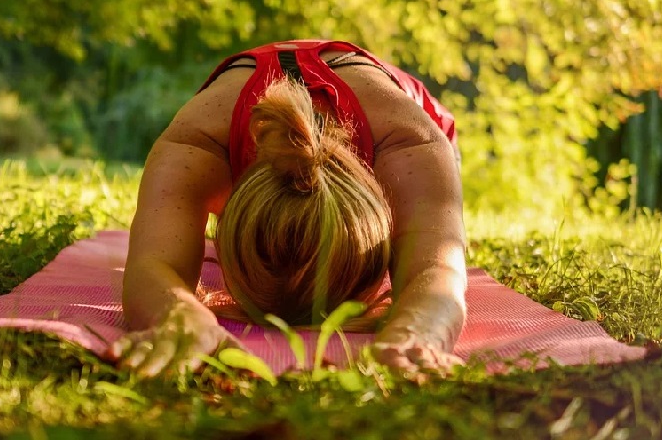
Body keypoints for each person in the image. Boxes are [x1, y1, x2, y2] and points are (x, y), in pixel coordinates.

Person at [106, 40, 467, 378]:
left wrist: (419, 329)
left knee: (433, 208)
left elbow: (439, 268)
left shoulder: (409, 141)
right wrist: (176, 315)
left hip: (396, 110)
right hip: (254, 99)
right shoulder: (197, 144)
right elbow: (152, 266)